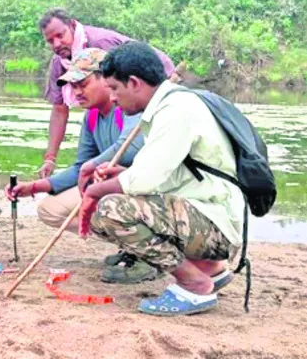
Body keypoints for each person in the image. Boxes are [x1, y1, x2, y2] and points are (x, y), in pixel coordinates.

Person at [78, 42, 244, 316]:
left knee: (110, 210)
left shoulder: (175, 110)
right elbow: (169, 174)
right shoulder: (170, 105)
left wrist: (94, 192)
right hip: (205, 212)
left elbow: (142, 181)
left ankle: (195, 284)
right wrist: (122, 176)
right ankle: (209, 269)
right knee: (107, 208)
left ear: (134, 83)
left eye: (114, 89)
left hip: (217, 224)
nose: (113, 99)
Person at [4, 48, 156, 284]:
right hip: (113, 186)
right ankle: (131, 244)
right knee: (49, 209)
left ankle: (149, 254)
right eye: (73, 87)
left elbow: (128, 147)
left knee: (105, 203)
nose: (77, 92)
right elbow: (80, 167)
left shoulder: (130, 107)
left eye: (82, 84)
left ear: (105, 79)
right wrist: (34, 187)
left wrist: (91, 166)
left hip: (143, 188)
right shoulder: (92, 117)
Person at [37, 8, 177, 179]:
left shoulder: (101, 44)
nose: (57, 44)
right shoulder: (59, 63)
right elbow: (59, 110)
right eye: (50, 41)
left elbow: (129, 87)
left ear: (73, 25)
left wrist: (92, 166)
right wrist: (50, 159)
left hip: (160, 82)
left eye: (60, 35)